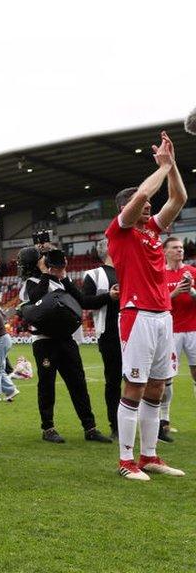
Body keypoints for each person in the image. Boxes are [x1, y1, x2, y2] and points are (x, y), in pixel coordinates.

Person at [105, 131, 186, 480]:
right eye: (145, 206)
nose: (151, 207)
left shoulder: (152, 231)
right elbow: (141, 194)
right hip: (136, 316)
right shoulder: (119, 231)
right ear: (126, 210)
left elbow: (178, 197)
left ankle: (149, 456)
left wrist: (172, 168)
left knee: (157, 387)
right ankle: (126, 462)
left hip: (162, 316)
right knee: (134, 387)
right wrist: (160, 166)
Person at [19, 245, 111, 444]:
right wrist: (46, 274)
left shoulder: (61, 282)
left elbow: (83, 300)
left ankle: (90, 427)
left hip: (66, 340)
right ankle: (48, 427)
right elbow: (36, 297)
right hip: (44, 341)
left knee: (78, 383)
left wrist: (63, 274)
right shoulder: (30, 283)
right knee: (47, 385)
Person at [80, 239, 121, 436]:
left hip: (135, 329)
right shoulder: (94, 274)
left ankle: (152, 424)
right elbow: (85, 301)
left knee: (139, 380)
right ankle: (116, 425)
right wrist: (109, 297)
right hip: (110, 334)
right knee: (113, 380)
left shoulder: (129, 269)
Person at [160, 236, 194, 441]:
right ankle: (165, 420)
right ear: (165, 251)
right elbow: (157, 300)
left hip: (194, 329)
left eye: (181, 248)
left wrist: (190, 290)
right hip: (171, 330)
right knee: (166, 377)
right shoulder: (160, 274)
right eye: (174, 248)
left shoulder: (192, 272)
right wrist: (173, 293)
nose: (179, 250)